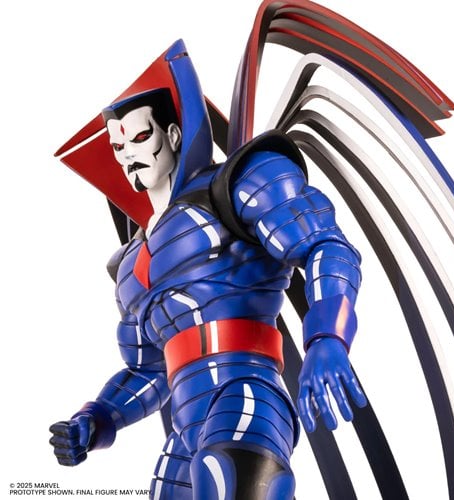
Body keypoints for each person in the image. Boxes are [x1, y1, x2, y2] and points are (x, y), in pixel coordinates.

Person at [50, 42, 366, 500]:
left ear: (174, 134)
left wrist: (327, 337)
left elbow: (325, 246)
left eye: (140, 137)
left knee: (229, 476)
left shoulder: (237, 182)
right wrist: (97, 418)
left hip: (247, 390)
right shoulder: (130, 264)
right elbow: (147, 369)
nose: (128, 154)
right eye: (118, 145)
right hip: (185, 429)